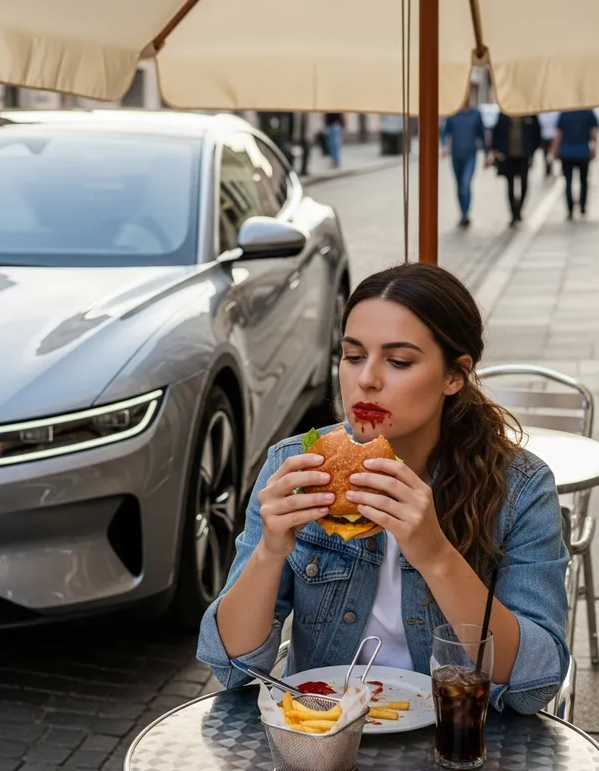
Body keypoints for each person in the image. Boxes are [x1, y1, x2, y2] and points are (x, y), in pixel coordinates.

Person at [197, 263, 569, 716]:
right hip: (326, 738)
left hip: (460, 742)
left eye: (398, 361)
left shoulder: (521, 489)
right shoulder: (295, 466)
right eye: (352, 356)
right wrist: (270, 552)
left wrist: (434, 554)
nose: (367, 379)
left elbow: (535, 684)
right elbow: (230, 667)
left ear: (455, 375)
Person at [489, 114, 541, 226]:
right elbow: (497, 132)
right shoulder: (504, 114)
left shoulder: (530, 114)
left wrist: (532, 150)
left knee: (524, 183)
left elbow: (537, 133)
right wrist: (496, 150)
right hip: (508, 156)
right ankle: (513, 212)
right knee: (510, 184)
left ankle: (519, 208)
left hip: (524, 155)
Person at [441, 98, 486, 227]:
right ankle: (462, 212)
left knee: (466, 183)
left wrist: (488, 153)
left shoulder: (475, 114)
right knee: (459, 184)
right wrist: (444, 146)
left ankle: (465, 213)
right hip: (456, 155)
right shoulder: (453, 114)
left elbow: (481, 134)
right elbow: (445, 132)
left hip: (470, 154)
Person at [549, 109, 599, 220]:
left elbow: (558, 134)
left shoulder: (564, 113)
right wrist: (594, 149)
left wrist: (554, 152)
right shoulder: (588, 113)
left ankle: (570, 209)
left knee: (568, 181)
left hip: (567, 152)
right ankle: (582, 206)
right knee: (584, 181)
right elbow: (594, 133)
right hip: (583, 152)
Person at [538, 112, 560, 178]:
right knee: (548, 153)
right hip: (547, 136)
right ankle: (549, 166)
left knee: (550, 153)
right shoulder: (555, 114)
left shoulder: (542, 114)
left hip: (550, 136)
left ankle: (550, 166)